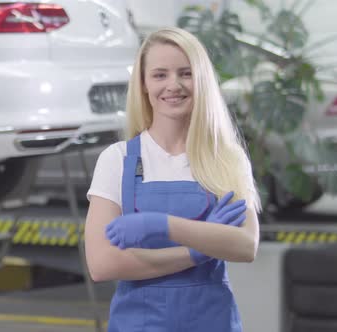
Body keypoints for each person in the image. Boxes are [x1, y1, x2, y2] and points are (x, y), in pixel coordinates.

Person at [84, 27, 261, 332]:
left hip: (212, 321)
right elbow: (103, 264)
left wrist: (162, 226)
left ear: (202, 80)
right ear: (143, 85)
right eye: (160, 75)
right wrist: (201, 247)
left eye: (185, 73)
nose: (174, 85)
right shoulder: (118, 159)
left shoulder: (226, 158)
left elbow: (245, 245)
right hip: (138, 324)